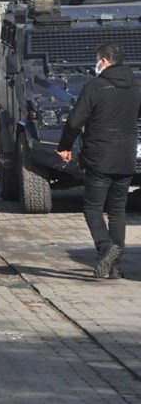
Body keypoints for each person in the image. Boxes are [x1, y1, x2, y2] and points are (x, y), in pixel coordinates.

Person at [57, 44, 141, 279]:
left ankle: (105, 248)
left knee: (93, 207)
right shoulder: (136, 85)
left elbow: (75, 121)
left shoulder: (94, 86)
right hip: (125, 155)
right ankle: (114, 267)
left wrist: (64, 147)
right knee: (117, 211)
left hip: (99, 156)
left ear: (103, 61)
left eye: (97, 61)